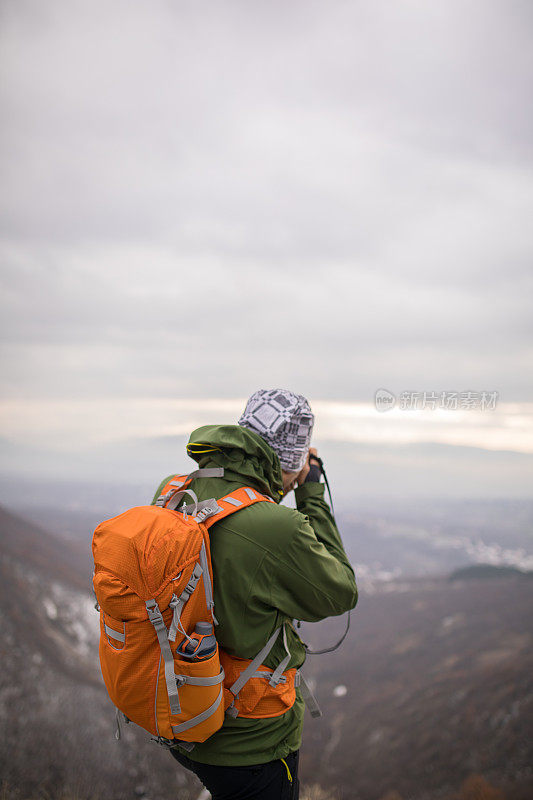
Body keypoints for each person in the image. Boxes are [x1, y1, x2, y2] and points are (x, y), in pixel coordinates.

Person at [152, 389, 358, 800]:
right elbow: (340, 592)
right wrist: (310, 490)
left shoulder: (176, 491)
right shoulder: (275, 526)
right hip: (249, 742)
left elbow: (234, 533)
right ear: (292, 460)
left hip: (180, 711)